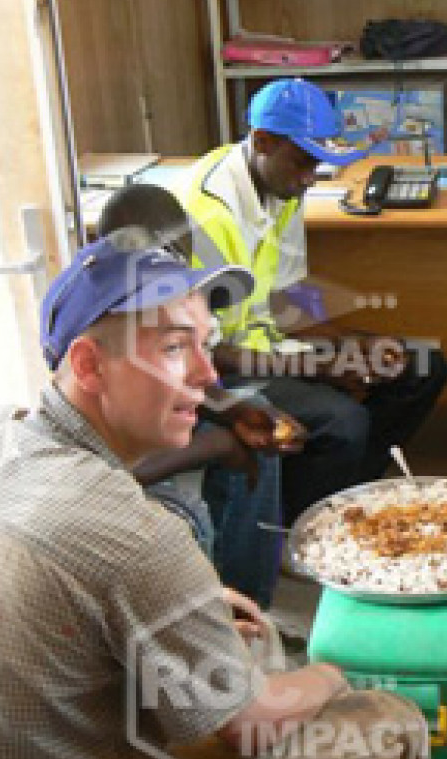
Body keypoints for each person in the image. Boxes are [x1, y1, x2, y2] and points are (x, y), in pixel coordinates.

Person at [0, 237, 437, 759]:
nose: (206, 374)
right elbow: (245, 725)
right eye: (171, 349)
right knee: (393, 722)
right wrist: (334, 673)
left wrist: (184, 611)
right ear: (89, 364)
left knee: (245, 639)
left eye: (205, 346)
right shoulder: (136, 534)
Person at [180, 77, 447, 523]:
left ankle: (341, 495)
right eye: (303, 164)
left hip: (268, 344)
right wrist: (322, 366)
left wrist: (348, 346)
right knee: (343, 421)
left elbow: (288, 301)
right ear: (262, 142)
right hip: (215, 373)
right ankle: (298, 525)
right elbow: (209, 356)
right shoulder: (207, 214)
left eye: (318, 166)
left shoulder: (282, 186)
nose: (309, 180)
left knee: (419, 366)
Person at [98, 182, 303, 608]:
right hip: (119, 472)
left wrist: (234, 412)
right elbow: (105, 475)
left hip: (151, 432)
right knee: (186, 517)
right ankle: (218, 615)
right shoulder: (102, 331)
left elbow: (198, 377)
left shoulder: (164, 305)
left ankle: (248, 606)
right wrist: (215, 443)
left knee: (257, 417)